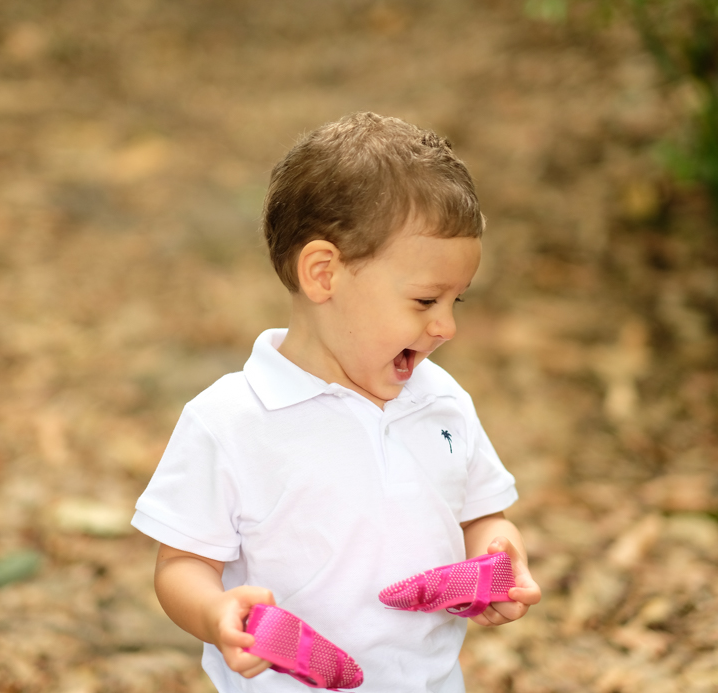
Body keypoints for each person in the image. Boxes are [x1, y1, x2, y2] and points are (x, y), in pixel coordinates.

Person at [131, 112, 541, 692]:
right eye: (425, 300)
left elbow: (483, 517)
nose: (446, 326)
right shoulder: (231, 421)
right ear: (324, 274)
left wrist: (499, 562)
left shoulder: (442, 403)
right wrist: (218, 616)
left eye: (458, 301)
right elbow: (182, 565)